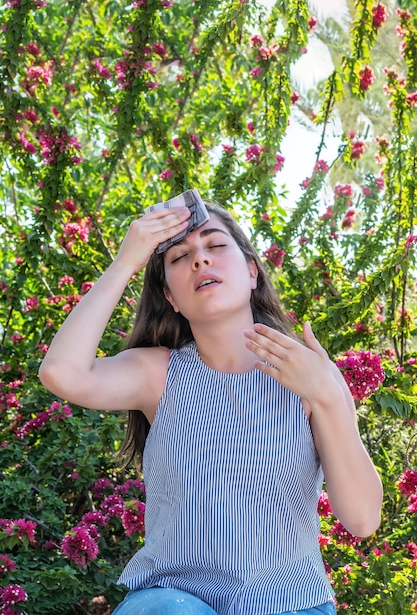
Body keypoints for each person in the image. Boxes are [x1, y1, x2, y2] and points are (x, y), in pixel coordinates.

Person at [39, 201, 383, 615]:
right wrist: (127, 260)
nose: (200, 258)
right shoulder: (157, 374)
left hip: (291, 602)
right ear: (171, 298)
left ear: (252, 272)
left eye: (215, 245)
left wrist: (326, 395)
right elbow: (61, 373)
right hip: (171, 600)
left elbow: (362, 520)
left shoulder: (312, 376)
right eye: (180, 257)